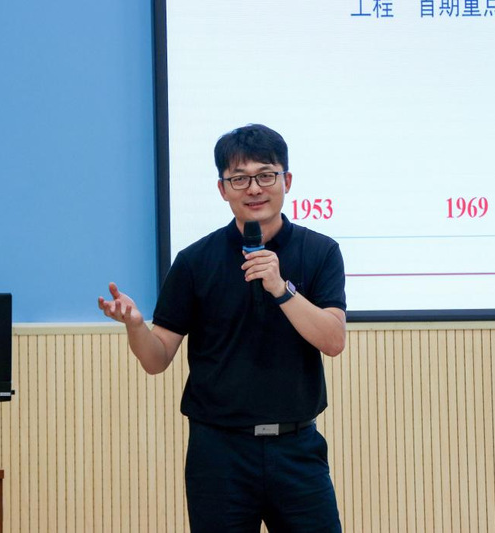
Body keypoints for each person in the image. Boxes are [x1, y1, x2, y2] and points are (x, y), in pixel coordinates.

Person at [98, 124, 346, 532]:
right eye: (239, 179)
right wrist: (137, 327)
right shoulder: (195, 260)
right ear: (222, 189)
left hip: (297, 448)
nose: (254, 188)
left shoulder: (320, 251)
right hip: (219, 452)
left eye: (266, 175)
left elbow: (333, 340)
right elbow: (157, 360)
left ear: (286, 181)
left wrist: (281, 288)